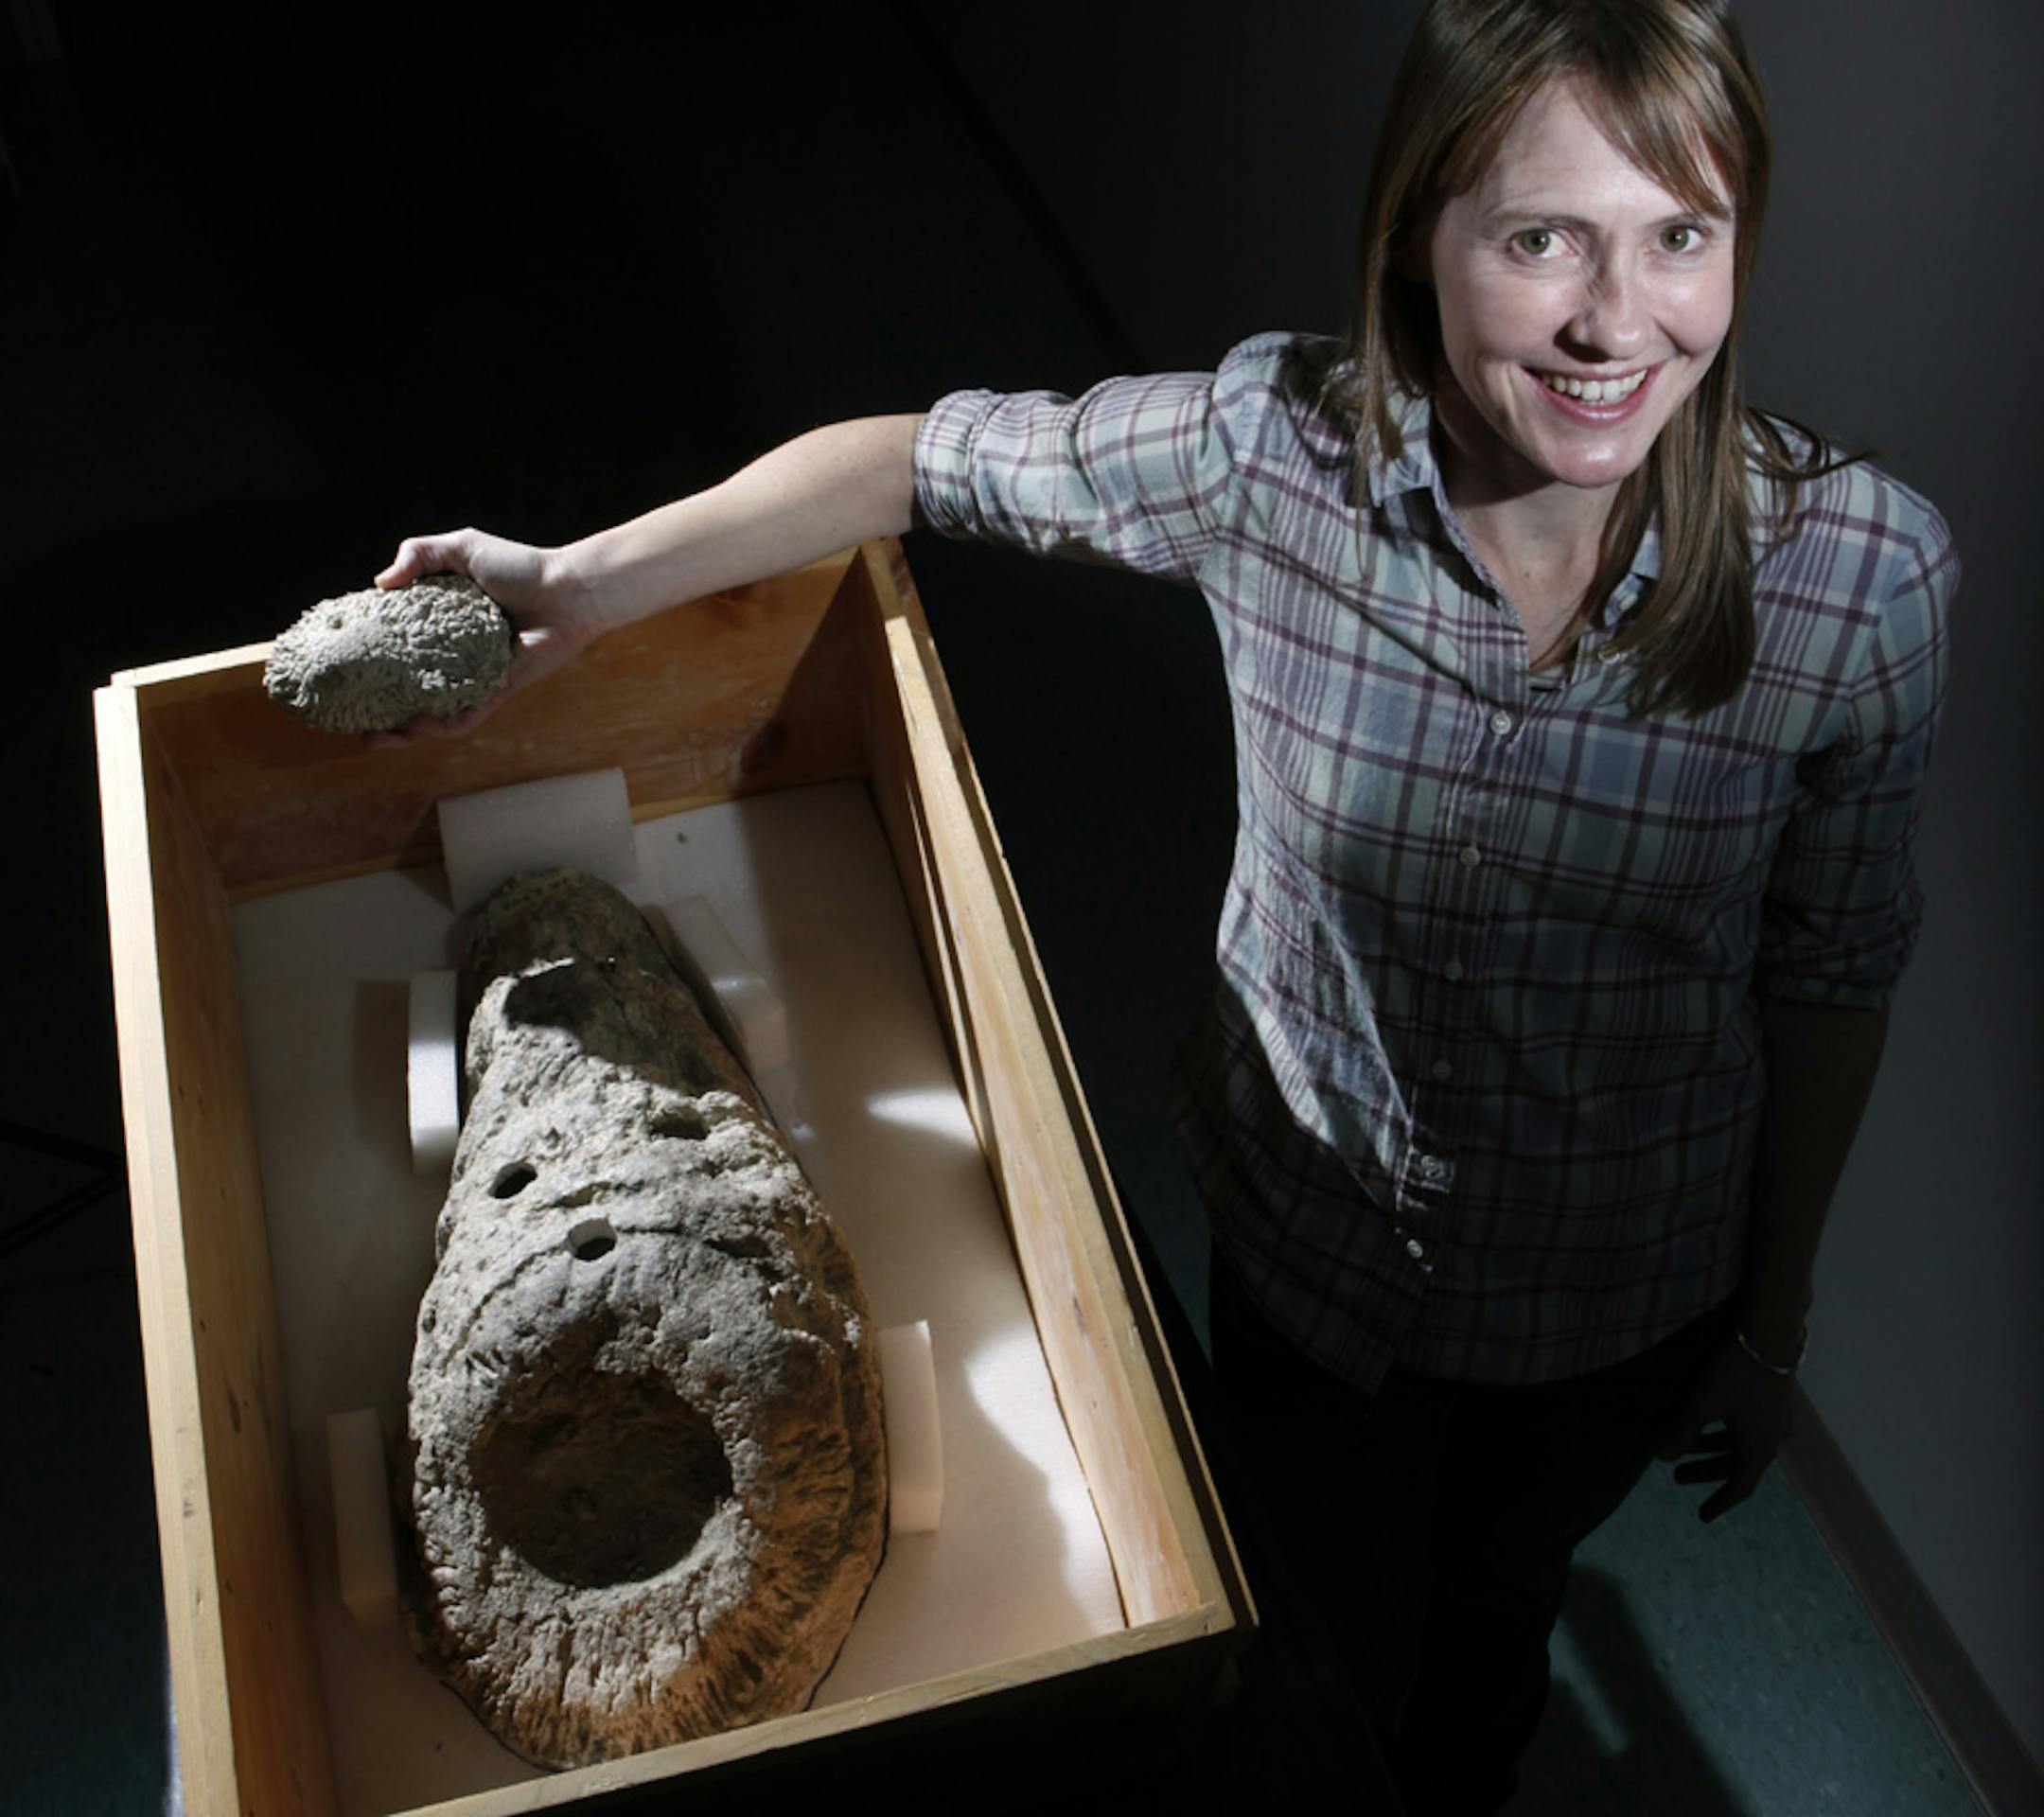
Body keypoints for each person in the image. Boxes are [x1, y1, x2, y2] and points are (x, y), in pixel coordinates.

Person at [373, 1, 1957, 1808]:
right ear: (1418, 236)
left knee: (1495, 1620)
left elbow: (1834, 977)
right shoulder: (1267, 454)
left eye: (1680, 236)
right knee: (1299, 1636)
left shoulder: (1867, 580)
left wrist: (1771, 1321)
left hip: (1611, 1302)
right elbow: (909, 460)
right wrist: (578, 585)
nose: (1618, 324)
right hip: (1308, 1263)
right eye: (1541, 240)